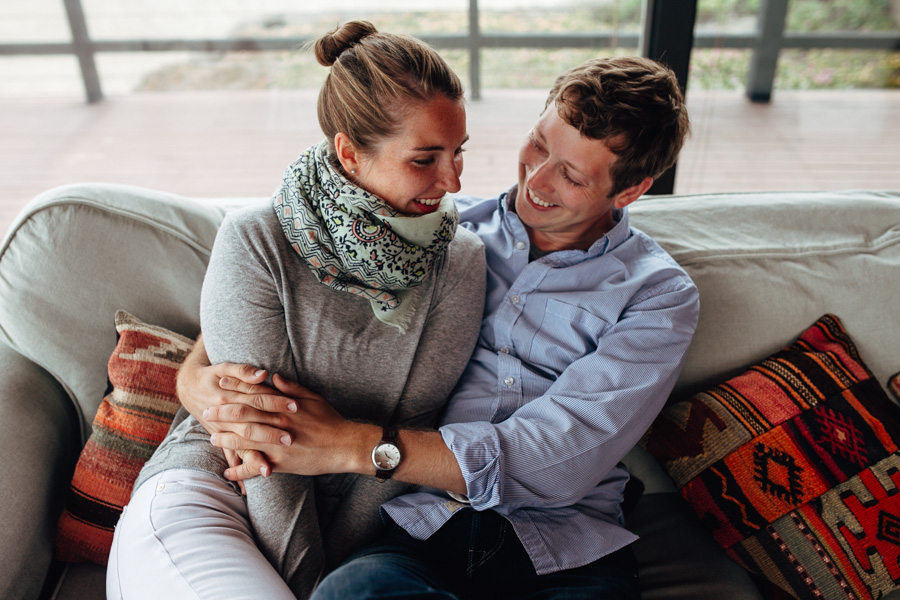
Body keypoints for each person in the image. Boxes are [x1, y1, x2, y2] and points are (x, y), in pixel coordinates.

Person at [179, 56, 700, 599]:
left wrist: (353, 446)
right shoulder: (437, 234)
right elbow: (284, 292)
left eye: (571, 175)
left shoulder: (658, 295)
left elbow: (555, 461)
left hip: (564, 547)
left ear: (631, 191)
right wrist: (194, 375)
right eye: (539, 146)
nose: (537, 180)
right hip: (416, 529)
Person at [106, 21, 487, 600]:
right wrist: (314, 587)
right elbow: (261, 436)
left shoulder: (459, 260)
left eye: (458, 153)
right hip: (221, 486)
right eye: (425, 158)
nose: (454, 179)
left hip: (366, 507)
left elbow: (412, 426)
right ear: (349, 153)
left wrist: (337, 580)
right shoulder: (255, 241)